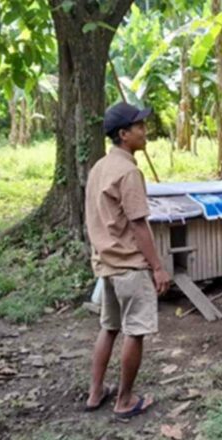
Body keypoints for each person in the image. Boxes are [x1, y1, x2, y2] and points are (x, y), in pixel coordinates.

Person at [83, 102, 171, 419]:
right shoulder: (129, 172)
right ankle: (124, 400)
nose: (144, 132)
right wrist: (158, 268)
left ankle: (96, 394)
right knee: (135, 331)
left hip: (106, 264)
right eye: (139, 127)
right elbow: (138, 223)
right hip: (130, 267)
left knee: (108, 328)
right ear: (123, 134)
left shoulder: (99, 168)